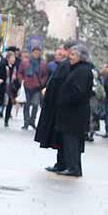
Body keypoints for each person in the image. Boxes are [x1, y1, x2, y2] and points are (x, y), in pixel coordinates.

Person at [52, 44, 94, 177]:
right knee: (69, 139)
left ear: (81, 56)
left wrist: (65, 99)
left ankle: (73, 168)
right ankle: (71, 166)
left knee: (71, 140)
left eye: (73, 55)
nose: (70, 57)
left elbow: (79, 92)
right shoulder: (78, 68)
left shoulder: (82, 70)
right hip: (71, 112)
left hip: (74, 113)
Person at [36, 43, 72, 173]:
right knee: (59, 139)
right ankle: (60, 163)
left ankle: (63, 164)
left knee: (62, 139)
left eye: (61, 49)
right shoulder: (63, 64)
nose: (59, 52)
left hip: (59, 107)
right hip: (56, 106)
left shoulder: (66, 65)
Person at [18, 46, 48, 130]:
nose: (36, 54)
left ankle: (32, 120)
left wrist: (42, 83)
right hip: (26, 86)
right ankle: (26, 122)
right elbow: (20, 72)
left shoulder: (43, 63)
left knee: (35, 105)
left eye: (38, 52)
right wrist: (22, 81)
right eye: (35, 52)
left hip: (37, 87)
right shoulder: (25, 62)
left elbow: (45, 75)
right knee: (26, 105)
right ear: (32, 52)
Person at [0, 47, 19, 127]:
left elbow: (16, 78)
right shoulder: (2, 65)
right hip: (2, 87)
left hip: (11, 89)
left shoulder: (15, 67)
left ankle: (6, 120)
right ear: (8, 58)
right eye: (12, 58)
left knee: (9, 104)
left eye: (14, 58)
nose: (13, 59)